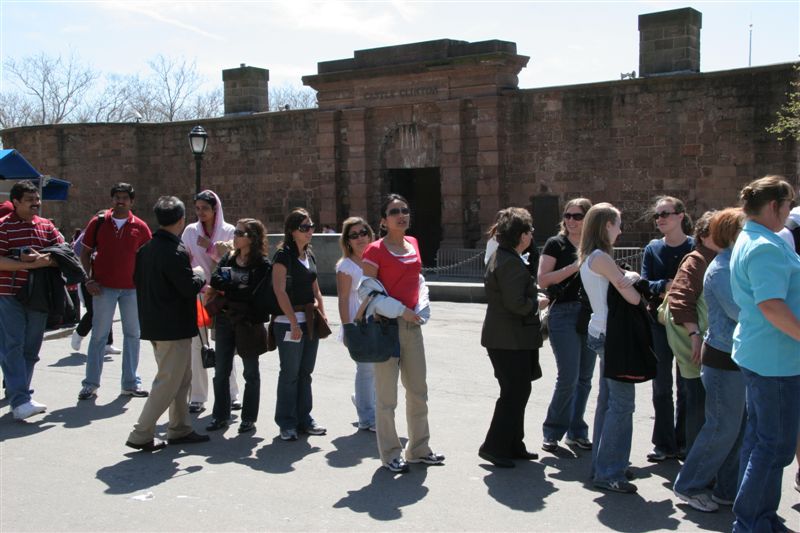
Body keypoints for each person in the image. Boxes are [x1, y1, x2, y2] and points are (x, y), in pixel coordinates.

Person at [729, 176, 800, 532]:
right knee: (774, 447)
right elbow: (771, 305)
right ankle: (752, 521)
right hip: (776, 360)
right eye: (787, 206)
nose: (789, 213)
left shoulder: (756, 238)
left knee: (762, 442)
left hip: (768, 356)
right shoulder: (765, 246)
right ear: (774, 206)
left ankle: (758, 517)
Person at [361, 193, 444, 473]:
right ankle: (390, 453)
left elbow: (418, 279)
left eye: (405, 210)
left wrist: (421, 305)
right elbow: (368, 292)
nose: (401, 215)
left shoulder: (414, 243)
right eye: (394, 211)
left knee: (419, 390)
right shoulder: (374, 250)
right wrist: (400, 310)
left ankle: (419, 449)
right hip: (386, 327)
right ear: (384, 221)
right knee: (387, 398)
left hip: (412, 327)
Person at [673, 208, 746, 513]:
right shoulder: (722, 268)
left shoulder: (733, 264)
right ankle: (689, 485)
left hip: (735, 358)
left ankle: (727, 489)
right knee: (721, 427)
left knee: (736, 428)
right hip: (722, 359)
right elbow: (742, 313)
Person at [126, 196, 209, 451]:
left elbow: (136, 280)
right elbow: (187, 287)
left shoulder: (146, 249)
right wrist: (200, 275)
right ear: (181, 220)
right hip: (173, 327)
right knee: (168, 382)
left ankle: (179, 428)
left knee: (182, 378)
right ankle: (141, 432)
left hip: (155, 323)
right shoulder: (175, 251)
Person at [579, 202, 642, 493]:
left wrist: (626, 278)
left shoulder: (593, 257)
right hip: (611, 335)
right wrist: (633, 278)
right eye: (617, 223)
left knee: (609, 402)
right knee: (621, 404)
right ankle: (609, 471)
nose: (620, 229)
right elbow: (633, 298)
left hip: (602, 331)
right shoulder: (601, 257)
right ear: (606, 225)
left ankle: (605, 465)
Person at [478, 207, 544, 468]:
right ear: (522, 235)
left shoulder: (505, 257)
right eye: (530, 231)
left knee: (518, 391)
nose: (531, 236)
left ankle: (513, 444)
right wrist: (538, 304)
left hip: (509, 338)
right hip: (509, 339)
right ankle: (494, 446)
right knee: (513, 393)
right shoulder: (509, 262)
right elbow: (516, 303)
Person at [78, 183, 152, 400]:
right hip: (103, 288)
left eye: (124, 198)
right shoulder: (99, 222)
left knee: (132, 335)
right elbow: (84, 253)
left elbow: (148, 258)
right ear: (112, 200)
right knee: (99, 336)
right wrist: (88, 279)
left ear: (132, 201)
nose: (120, 201)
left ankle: (130, 383)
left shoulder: (140, 226)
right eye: (117, 197)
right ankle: (90, 384)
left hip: (132, 290)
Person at [0, 180, 63, 420]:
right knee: (12, 346)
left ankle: (20, 393)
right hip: (9, 294)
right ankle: (21, 399)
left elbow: (64, 253)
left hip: (39, 295)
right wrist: (23, 264)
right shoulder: (3, 227)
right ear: (15, 202)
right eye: (30, 201)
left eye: (37, 200)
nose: (36, 204)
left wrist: (43, 259)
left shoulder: (46, 226)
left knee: (31, 347)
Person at [539, 198, 596, 453]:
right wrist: (575, 266)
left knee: (585, 378)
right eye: (568, 215)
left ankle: (576, 431)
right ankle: (552, 431)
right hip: (563, 312)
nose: (571, 220)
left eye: (577, 216)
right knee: (569, 377)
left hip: (591, 313)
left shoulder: (595, 244)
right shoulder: (556, 243)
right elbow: (543, 280)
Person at [641, 195, 694, 462]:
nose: (660, 219)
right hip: (659, 323)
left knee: (686, 384)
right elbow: (645, 282)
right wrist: (665, 285)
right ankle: (663, 443)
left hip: (687, 323)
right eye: (657, 215)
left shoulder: (695, 247)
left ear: (680, 216)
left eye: (665, 214)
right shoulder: (652, 248)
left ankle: (683, 440)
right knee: (661, 386)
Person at [205, 218, 271, 434]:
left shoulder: (262, 264)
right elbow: (216, 280)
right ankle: (220, 416)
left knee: (251, 372)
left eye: (239, 233)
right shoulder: (229, 256)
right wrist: (238, 284)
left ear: (251, 238)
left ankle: (248, 418)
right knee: (221, 370)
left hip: (248, 322)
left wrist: (231, 285)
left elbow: (254, 294)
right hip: (225, 319)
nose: (234, 236)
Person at [180, 190, 241, 414]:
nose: (201, 212)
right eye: (197, 208)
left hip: (222, 296)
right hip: (198, 295)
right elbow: (184, 257)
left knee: (225, 344)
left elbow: (233, 261)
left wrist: (210, 247)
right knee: (198, 345)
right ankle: (197, 396)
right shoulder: (189, 231)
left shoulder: (229, 231)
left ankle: (232, 394)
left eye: (205, 208)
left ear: (215, 208)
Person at [272, 208, 328, 441]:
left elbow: (316, 289)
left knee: (306, 372)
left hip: (309, 320)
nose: (310, 231)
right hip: (288, 322)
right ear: (292, 231)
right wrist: (294, 323)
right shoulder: (282, 256)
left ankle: (305, 418)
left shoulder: (309, 255)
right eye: (305, 227)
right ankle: (286, 422)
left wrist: (322, 315)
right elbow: (279, 290)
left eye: (312, 226)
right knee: (290, 373)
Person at [665, 211, 718, 454]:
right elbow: (679, 300)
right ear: (706, 235)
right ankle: (694, 460)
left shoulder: (719, 258)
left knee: (705, 403)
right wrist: (695, 335)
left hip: (711, 343)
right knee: (697, 402)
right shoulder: (698, 260)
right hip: (696, 345)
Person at [336, 216, 377, 432]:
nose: (360, 238)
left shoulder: (376, 258)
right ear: (347, 241)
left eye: (364, 233)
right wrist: (347, 328)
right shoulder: (346, 266)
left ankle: (363, 400)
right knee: (366, 369)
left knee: (379, 368)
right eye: (354, 235)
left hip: (378, 321)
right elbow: (343, 299)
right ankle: (367, 418)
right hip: (358, 323)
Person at [70, 210, 118, 355]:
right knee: (94, 311)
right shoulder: (90, 232)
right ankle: (78, 333)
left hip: (108, 278)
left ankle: (107, 343)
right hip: (90, 278)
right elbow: (78, 251)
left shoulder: (114, 233)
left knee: (107, 311)